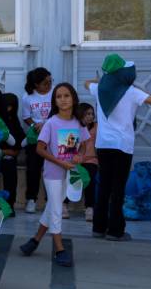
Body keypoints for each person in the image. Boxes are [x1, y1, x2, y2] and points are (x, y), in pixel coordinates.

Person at [84, 54, 151, 241]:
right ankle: (115, 231)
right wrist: (142, 91)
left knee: (103, 186)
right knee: (118, 188)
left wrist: (101, 80)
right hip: (122, 146)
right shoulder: (131, 92)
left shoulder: (99, 89)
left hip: (103, 145)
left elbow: (86, 83)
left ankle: (98, 228)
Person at [19, 83, 88, 267]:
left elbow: (85, 143)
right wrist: (60, 162)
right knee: (57, 209)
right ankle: (59, 249)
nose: (63, 99)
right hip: (53, 174)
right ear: (54, 101)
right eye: (59, 96)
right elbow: (40, 149)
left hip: (71, 173)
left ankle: (34, 240)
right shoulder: (51, 123)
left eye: (66, 95)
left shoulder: (78, 122)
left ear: (73, 98)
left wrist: (80, 154)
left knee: (52, 207)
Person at [21, 67, 53, 213]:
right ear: (36, 85)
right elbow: (26, 117)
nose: (49, 85)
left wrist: (46, 124)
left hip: (53, 136)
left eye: (50, 81)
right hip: (36, 137)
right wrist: (35, 125)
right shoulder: (28, 97)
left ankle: (51, 201)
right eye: (45, 83)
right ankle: (31, 199)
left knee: (52, 169)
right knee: (33, 169)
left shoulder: (55, 94)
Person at [0, 93, 26, 209]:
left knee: (10, 176)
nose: (8, 109)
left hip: (9, 157)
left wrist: (6, 152)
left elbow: (19, 141)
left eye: (11, 106)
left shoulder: (14, 121)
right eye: (7, 106)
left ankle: (9, 205)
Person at [76, 103, 99, 221]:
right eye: (87, 114)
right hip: (75, 160)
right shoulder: (74, 126)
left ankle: (89, 207)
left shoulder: (97, 127)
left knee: (90, 177)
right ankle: (63, 204)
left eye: (92, 114)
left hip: (91, 159)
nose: (90, 117)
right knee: (71, 177)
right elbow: (67, 148)